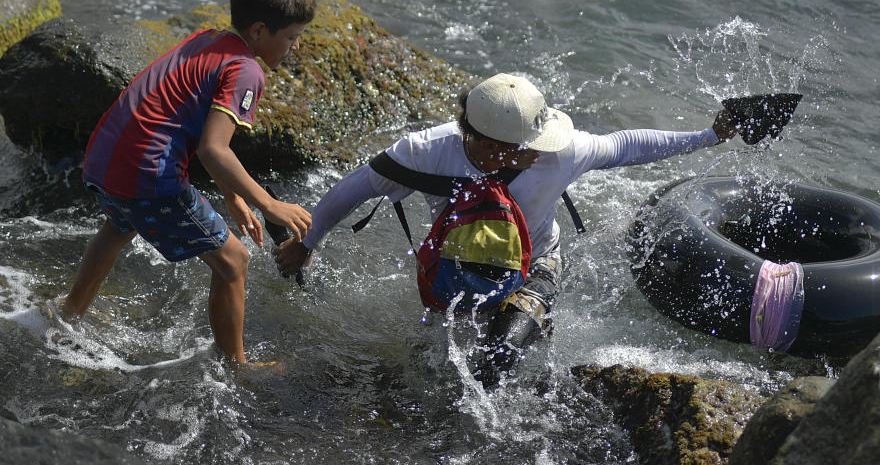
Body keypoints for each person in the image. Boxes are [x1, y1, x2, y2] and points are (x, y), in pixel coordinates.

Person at [274, 73, 738, 385]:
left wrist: (710, 135)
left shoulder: (565, 150)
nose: (540, 153)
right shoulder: (425, 152)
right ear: (481, 141)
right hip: (460, 266)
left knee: (494, 362)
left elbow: (626, 145)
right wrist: (308, 244)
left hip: (537, 263)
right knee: (431, 371)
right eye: (524, 148)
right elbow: (350, 190)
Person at [60, 0, 316, 367]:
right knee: (234, 261)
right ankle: (237, 364)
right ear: (259, 32)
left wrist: (233, 198)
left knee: (119, 224)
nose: (296, 47)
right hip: (147, 174)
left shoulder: (209, 39)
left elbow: (197, 134)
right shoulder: (247, 70)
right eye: (292, 38)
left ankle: (69, 313)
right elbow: (214, 150)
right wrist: (269, 204)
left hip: (103, 157)